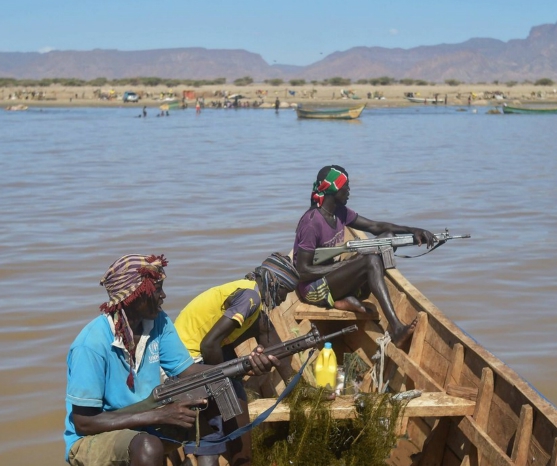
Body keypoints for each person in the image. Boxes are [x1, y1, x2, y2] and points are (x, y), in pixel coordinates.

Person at [64, 253, 277, 466]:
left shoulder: (158, 322)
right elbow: (85, 423)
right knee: (148, 448)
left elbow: (189, 371)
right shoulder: (91, 345)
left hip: (143, 420)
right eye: (157, 290)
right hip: (93, 438)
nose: (163, 296)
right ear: (135, 295)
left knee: (223, 389)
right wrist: (158, 415)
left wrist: (244, 366)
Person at [173, 254, 299, 465]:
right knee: (211, 437)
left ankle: (241, 458)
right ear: (274, 282)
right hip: (188, 359)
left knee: (238, 414)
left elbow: (277, 350)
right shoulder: (251, 297)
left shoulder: (253, 301)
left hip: (212, 353)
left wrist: (297, 388)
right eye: (285, 292)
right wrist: (225, 383)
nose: (284, 300)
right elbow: (208, 344)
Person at [292, 165, 436, 347]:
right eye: (346, 186)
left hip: (330, 278)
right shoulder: (312, 223)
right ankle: (397, 328)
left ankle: (344, 300)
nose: (349, 191)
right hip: (313, 289)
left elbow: (375, 227)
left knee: (387, 239)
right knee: (370, 260)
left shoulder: (339, 212)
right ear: (335, 189)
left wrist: (412, 231)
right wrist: (342, 266)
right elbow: (302, 271)